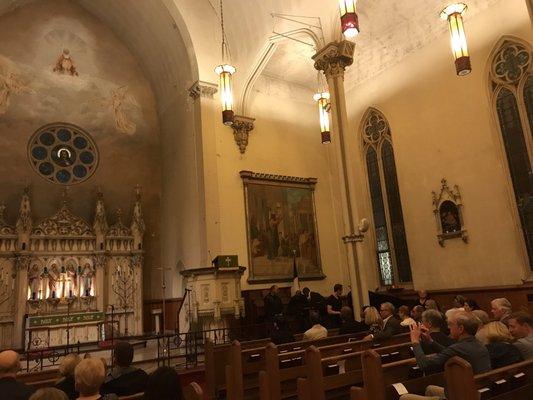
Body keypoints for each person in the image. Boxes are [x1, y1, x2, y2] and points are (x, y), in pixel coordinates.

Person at [400, 311, 491, 400]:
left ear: (461, 329)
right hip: (474, 393)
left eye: (451, 324)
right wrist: (430, 342)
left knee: (404, 397)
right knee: (430, 389)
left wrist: (415, 341)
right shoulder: (480, 345)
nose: (448, 327)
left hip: (462, 396)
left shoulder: (458, 348)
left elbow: (425, 365)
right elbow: (449, 352)